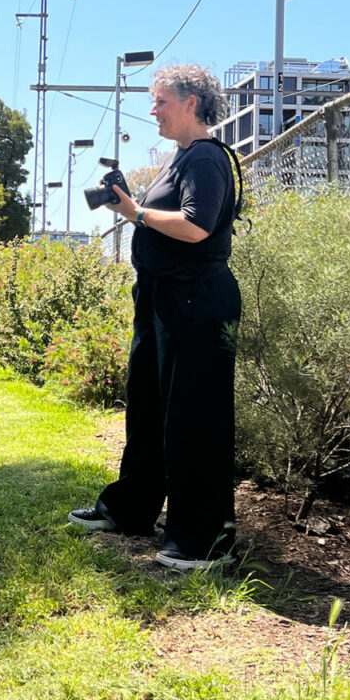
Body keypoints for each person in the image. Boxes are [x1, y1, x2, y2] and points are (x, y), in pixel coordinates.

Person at [68, 64, 243, 571]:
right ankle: (130, 509)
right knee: (146, 408)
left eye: (161, 100)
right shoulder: (180, 158)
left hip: (196, 301)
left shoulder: (207, 158)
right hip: (161, 299)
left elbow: (195, 227)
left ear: (192, 103)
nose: (153, 110)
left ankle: (203, 541)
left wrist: (136, 213)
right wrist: (132, 203)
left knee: (194, 417)